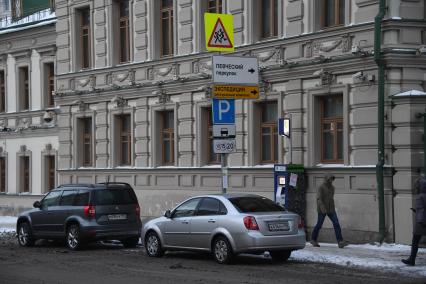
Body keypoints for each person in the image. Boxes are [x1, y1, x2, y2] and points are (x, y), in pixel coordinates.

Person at [310, 174, 348, 248]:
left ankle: (340, 241)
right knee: (319, 224)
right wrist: (323, 208)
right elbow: (319, 198)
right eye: (330, 179)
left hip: (331, 209)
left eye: (332, 179)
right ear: (327, 179)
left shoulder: (332, 188)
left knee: (336, 223)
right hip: (322, 209)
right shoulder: (321, 187)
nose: (331, 180)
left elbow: (331, 199)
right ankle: (313, 239)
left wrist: (332, 208)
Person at [401, 177, 426, 266]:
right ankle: (411, 259)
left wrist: (420, 221)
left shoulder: (419, 197)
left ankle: (412, 259)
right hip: (423, 219)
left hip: (421, 222)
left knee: (415, 241)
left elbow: (421, 209)